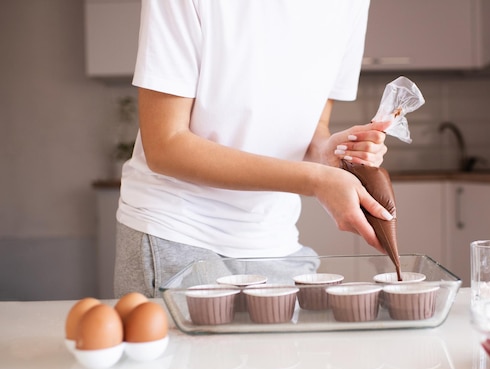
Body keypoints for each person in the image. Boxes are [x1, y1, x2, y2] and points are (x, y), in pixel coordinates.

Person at [114, 0, 394, 297]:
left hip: (275, 242)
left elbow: (314, 124)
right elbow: (165, 146)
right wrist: (314, 180)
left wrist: (326, 152)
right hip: (177, 231)